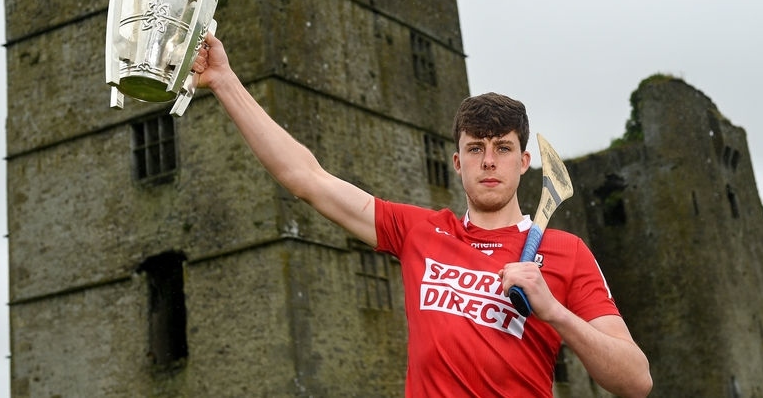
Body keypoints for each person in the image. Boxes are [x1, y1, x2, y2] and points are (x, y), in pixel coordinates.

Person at [191, 33, 653, 398]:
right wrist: (225, 81)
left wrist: (555, 312)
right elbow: (307, 178)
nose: (488, 161)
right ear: (457, 162)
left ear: (522, 162)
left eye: (502, 149)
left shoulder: (565, 252)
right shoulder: (420, 231)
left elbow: (636, 380)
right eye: (475, 149)